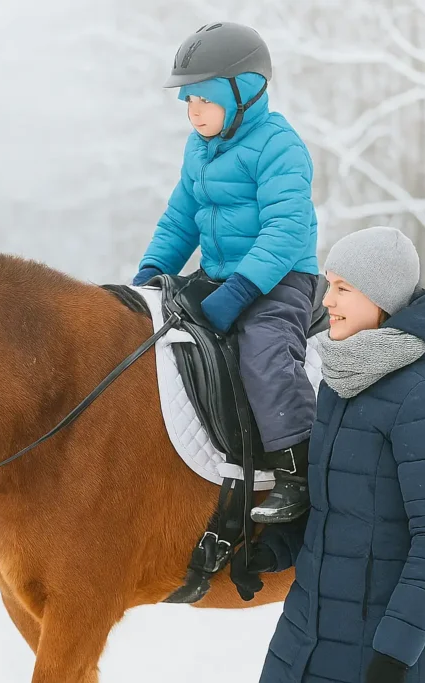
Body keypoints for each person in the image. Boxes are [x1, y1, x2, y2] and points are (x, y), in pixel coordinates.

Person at [132, 22, 320, 523]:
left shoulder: (280, 146)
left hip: (279, 281)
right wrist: (149, 275)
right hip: (219, 277)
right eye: (188, 101)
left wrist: (240, 290)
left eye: (205, 100)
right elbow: (179, 219)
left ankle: (297, 467)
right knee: (156, 332)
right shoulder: (198, 149)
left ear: (245, 91)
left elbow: (284, 230)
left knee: (262, 352)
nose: (194, 112)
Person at [231, 226, 425, 683]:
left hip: (379, 653)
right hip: (301, 639)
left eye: (343, 288)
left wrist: (396, 654)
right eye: (329, 284)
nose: (326, 300)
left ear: (380, 299)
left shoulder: (421, 396)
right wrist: (273, 553)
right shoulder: (338, 386)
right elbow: (331, 511)